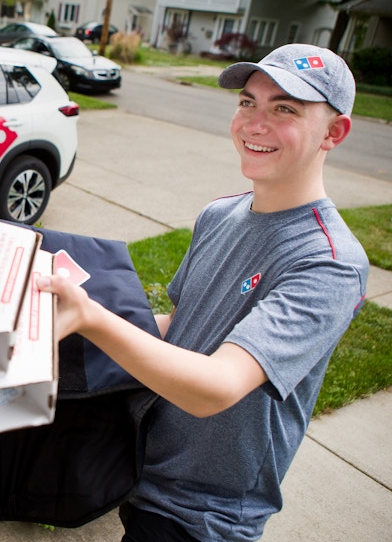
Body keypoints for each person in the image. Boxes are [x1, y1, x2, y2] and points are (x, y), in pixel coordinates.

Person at [36, 43, 369, 542]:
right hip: (143, 471)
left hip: (206, 516)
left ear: (334, 132)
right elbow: (181, 326)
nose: (256, 124)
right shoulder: (221, 214)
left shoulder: (329, 262)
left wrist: (93, 319)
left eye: (285, 110)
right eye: (247, 102)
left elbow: (217, 387)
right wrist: (75, 315)